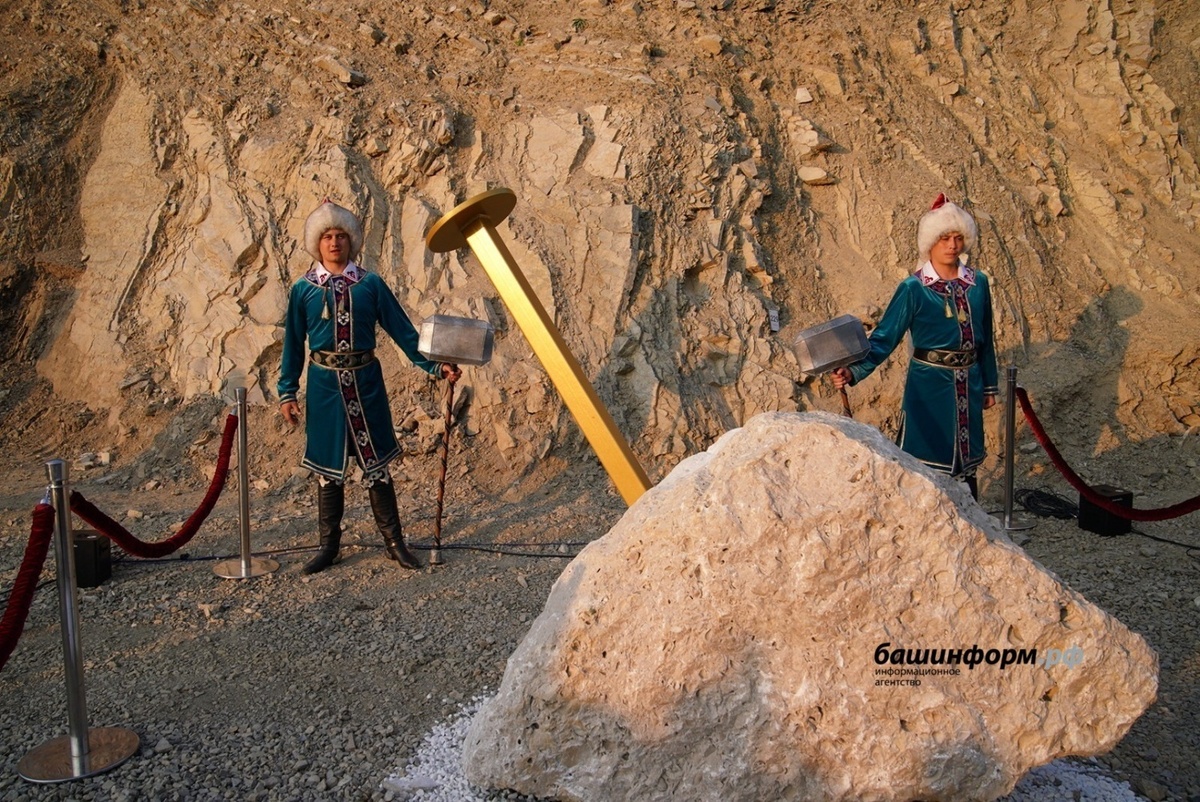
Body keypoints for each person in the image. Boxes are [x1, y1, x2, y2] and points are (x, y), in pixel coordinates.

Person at [279, 200, 461, 574]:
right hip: (323, 388)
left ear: (351, 241)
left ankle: (395, 544)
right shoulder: (303, 290)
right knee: (328, 471)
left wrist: (435, 365)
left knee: (376, 466)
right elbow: (293, 344)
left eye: (340, 236)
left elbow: (403, 332)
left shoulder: (370, 284)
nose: (334, 243)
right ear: (317, 243)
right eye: (327, 237)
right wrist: (287, 392)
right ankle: (328, 547)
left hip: (366, 385)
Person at [831, 194, 998, 499]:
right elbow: (885, 337)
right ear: (930, 242)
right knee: (927, 461)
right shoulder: (914, 288)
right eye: (944, 238)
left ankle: (971, 517)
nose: (952, 245)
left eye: (958, 238)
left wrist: (989, 386)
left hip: (970, 383)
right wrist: (854, 371)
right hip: (928, 386)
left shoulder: (978, 283)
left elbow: (986, 338)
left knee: (968, 460)